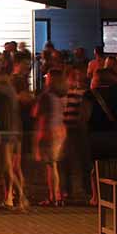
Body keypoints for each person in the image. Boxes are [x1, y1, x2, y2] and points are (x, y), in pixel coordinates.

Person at [0, 66, 26, 210]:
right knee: (12, 167)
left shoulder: (3, 90)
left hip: (6, 131)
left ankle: (15, 196)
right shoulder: (9, 90)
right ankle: (16, 197)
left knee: (7, 166)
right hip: (15, 130)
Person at [83, 67, 117, 196]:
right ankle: (112, 194)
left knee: (95, 166)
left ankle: (96, 196)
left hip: (95, 133)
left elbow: (85, 115)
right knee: (111, 164)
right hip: (112, 133)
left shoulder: (89, 94)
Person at [35, 68, 68, 207]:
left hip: (49, 130)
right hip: (60, 129)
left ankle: (53, 196)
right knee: (54, 165)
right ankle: (57, 194)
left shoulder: (46, 96)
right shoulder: (62, 95)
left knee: (51, 165)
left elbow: (37, 113)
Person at [60, 66, 91, 204]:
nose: (76, 80)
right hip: (69, 130)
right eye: (74, 77)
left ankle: (81, 189)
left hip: (75, 130)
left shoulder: (81, 93)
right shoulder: (67, 94)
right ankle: (70, 189)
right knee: (69, 161)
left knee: (81, 160)